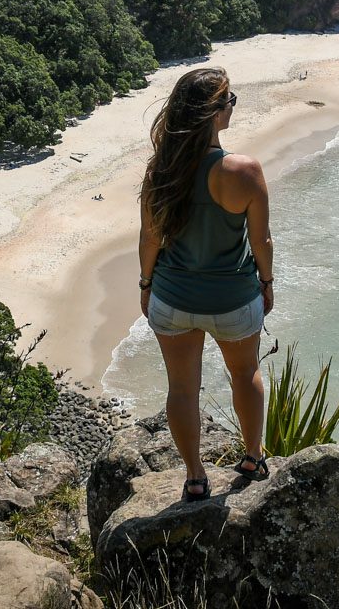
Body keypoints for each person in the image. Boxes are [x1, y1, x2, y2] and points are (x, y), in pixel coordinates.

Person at [138, 67, 275, 502]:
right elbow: (261, 242)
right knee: (245, 372)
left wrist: (146, 285)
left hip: (172, 298)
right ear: (214, 114)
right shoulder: (243, 171)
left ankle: (196, 476)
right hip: (233, 299)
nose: (232, 107)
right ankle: (252, 458)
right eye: (229, 100)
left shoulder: (161, 171)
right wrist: (267, 284)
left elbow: (150, 239)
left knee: (181, 388)